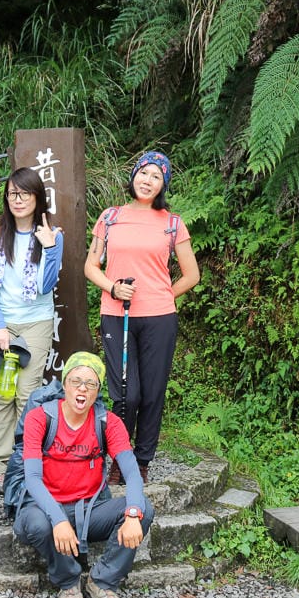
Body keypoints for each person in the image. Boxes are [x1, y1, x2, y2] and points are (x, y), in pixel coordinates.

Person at [83, 151, 200, 483]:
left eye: (156, 176)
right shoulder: (110, 217)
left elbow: (191, 275)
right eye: (143, 173)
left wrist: (163, 296)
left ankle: (143, 459)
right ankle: (119, 456)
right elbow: (91, 266)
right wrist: (112, 287)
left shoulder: (171, 223)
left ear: (163, 184)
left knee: (152, 392)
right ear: (133, 175)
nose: (147, 180)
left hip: (159, 319)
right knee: (125, 393)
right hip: (116, 314)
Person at [11, 352, 153, 598]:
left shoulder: (108, 423)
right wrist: (58, 519)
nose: (82, 389)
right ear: (64, 385)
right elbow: (31, 477)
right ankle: (68, 582)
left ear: (97, 391)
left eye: (90, 384)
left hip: (89, 511)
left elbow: (132, 473)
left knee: (144, 508)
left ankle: (101, 581)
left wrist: (133, 513)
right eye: (76, 381)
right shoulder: (40, 418)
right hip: (44, 508)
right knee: (37, 524)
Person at [0, 168, 64, 495]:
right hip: (3, 320)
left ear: (38, 198)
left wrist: (50, 247)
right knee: (2, 392)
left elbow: (46, 286)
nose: (18, 200)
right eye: (13, 194)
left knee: (28, 394)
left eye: (25, 194)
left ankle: (29, 460)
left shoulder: (52, 234)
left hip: (36, 322)